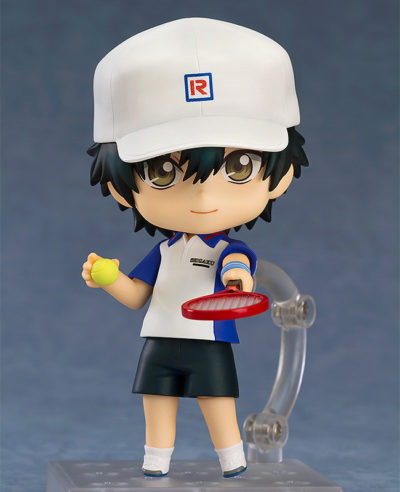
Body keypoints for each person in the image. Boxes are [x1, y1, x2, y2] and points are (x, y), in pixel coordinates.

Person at [81, 18, 308, 478]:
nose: (204, 196)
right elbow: (137, 296)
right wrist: (109, 278)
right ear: (122, 187)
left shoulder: (229, 249)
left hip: (209, 339)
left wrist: (237, 282)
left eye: (239, 167)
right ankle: (155, 459)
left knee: (216, 399)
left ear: (280, 176)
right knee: (156, 399)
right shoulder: (163, 252)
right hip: (161, 337)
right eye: (163, 173)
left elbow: (238, 268)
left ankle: (232, 458)